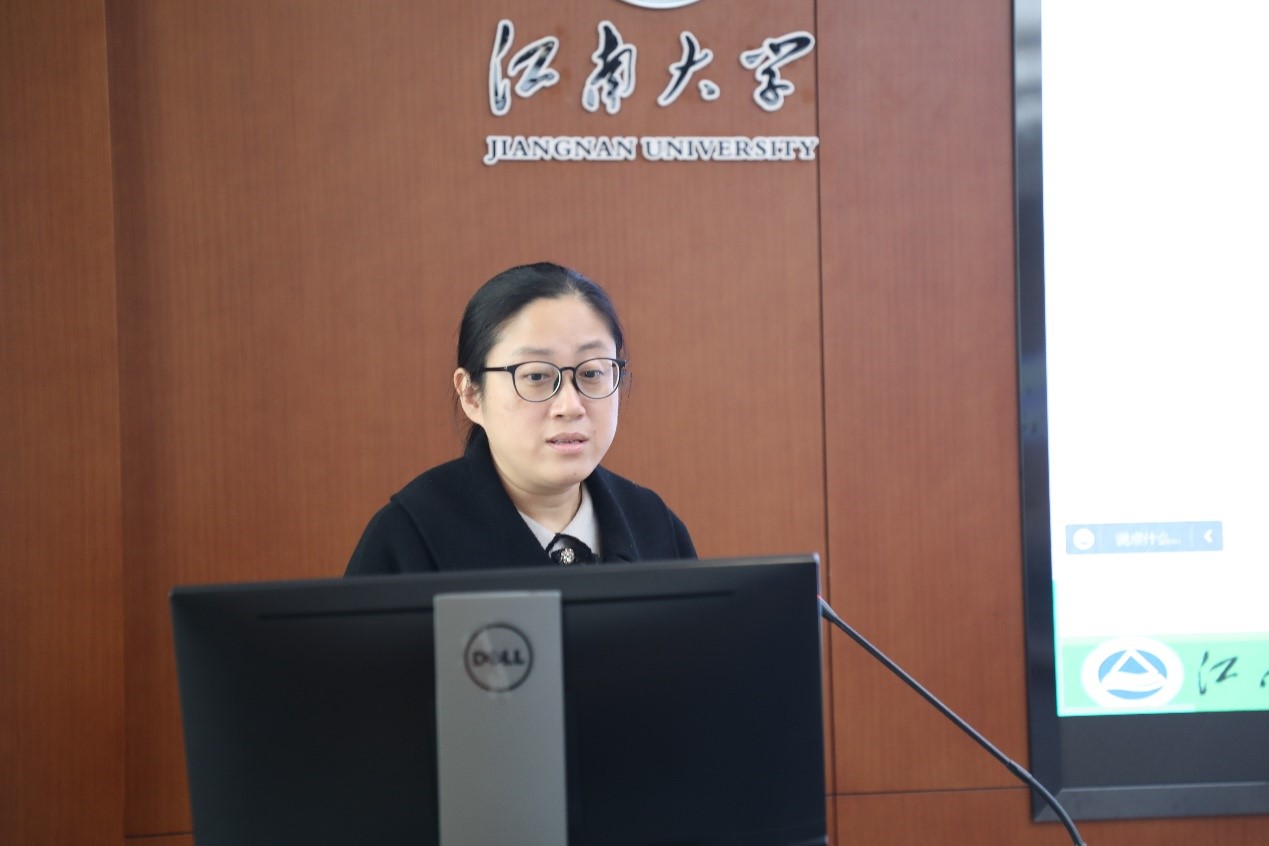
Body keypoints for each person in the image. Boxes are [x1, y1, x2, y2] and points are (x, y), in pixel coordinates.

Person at [345, 262, 696, 574]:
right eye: (536, 376)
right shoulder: (409, 537)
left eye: (591, 373)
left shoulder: (655, 528)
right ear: (471, 394)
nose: (570, 406)